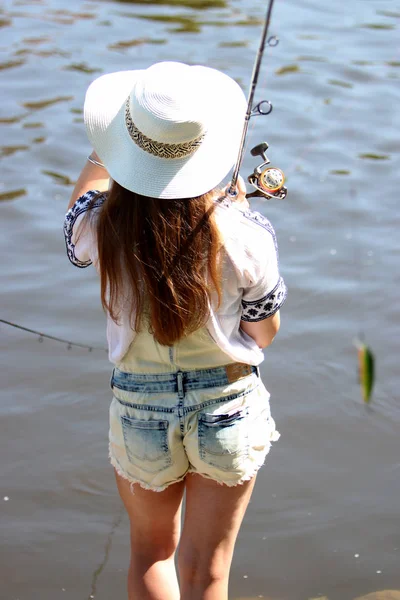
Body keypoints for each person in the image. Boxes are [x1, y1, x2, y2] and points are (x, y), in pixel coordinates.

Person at [63, 61, 287, 600]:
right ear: (205, 145)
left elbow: (76, 212)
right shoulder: (246, 232)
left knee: (150, 551)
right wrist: (226, 211)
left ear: (126, 145)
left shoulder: (99, 226)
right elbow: (264, 334)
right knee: (209, 568)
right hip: (229, 406)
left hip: (139, 410)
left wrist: (103, 152)